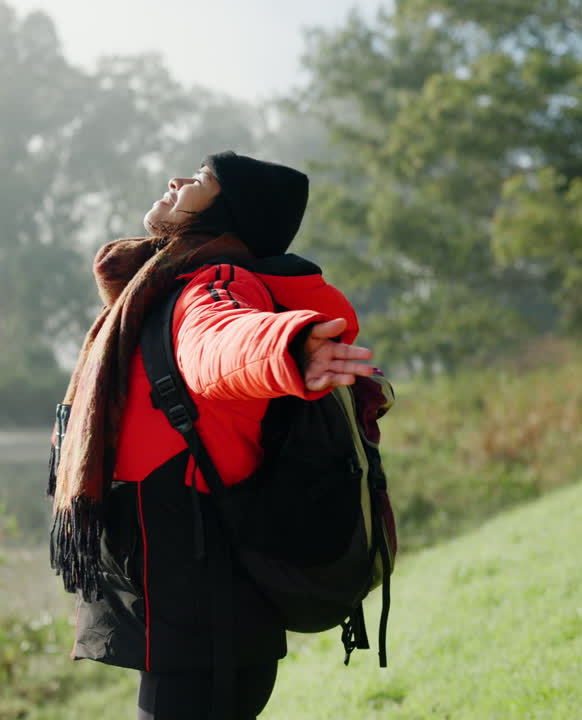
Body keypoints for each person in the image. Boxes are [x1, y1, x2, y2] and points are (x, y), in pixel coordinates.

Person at [48, 151, 377, 719]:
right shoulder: (162, 285)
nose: (176, 181)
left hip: (207, 598)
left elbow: (221, 343)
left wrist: (288, 348)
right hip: (186, 594)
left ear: (229, 211)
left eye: (201, 180)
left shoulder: (216, 280)